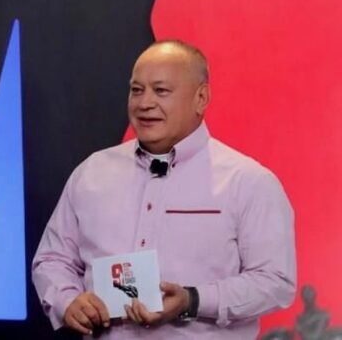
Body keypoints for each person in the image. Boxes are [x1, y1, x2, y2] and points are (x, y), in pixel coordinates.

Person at [32, 40, 296, 338]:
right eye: (136, 90)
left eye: (161, 91)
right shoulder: (92, 172)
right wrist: (67, 300)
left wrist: (193, 300)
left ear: (201, 98)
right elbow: (52, 259)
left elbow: (274, 281)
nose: (144, 103)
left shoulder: (248, 182)